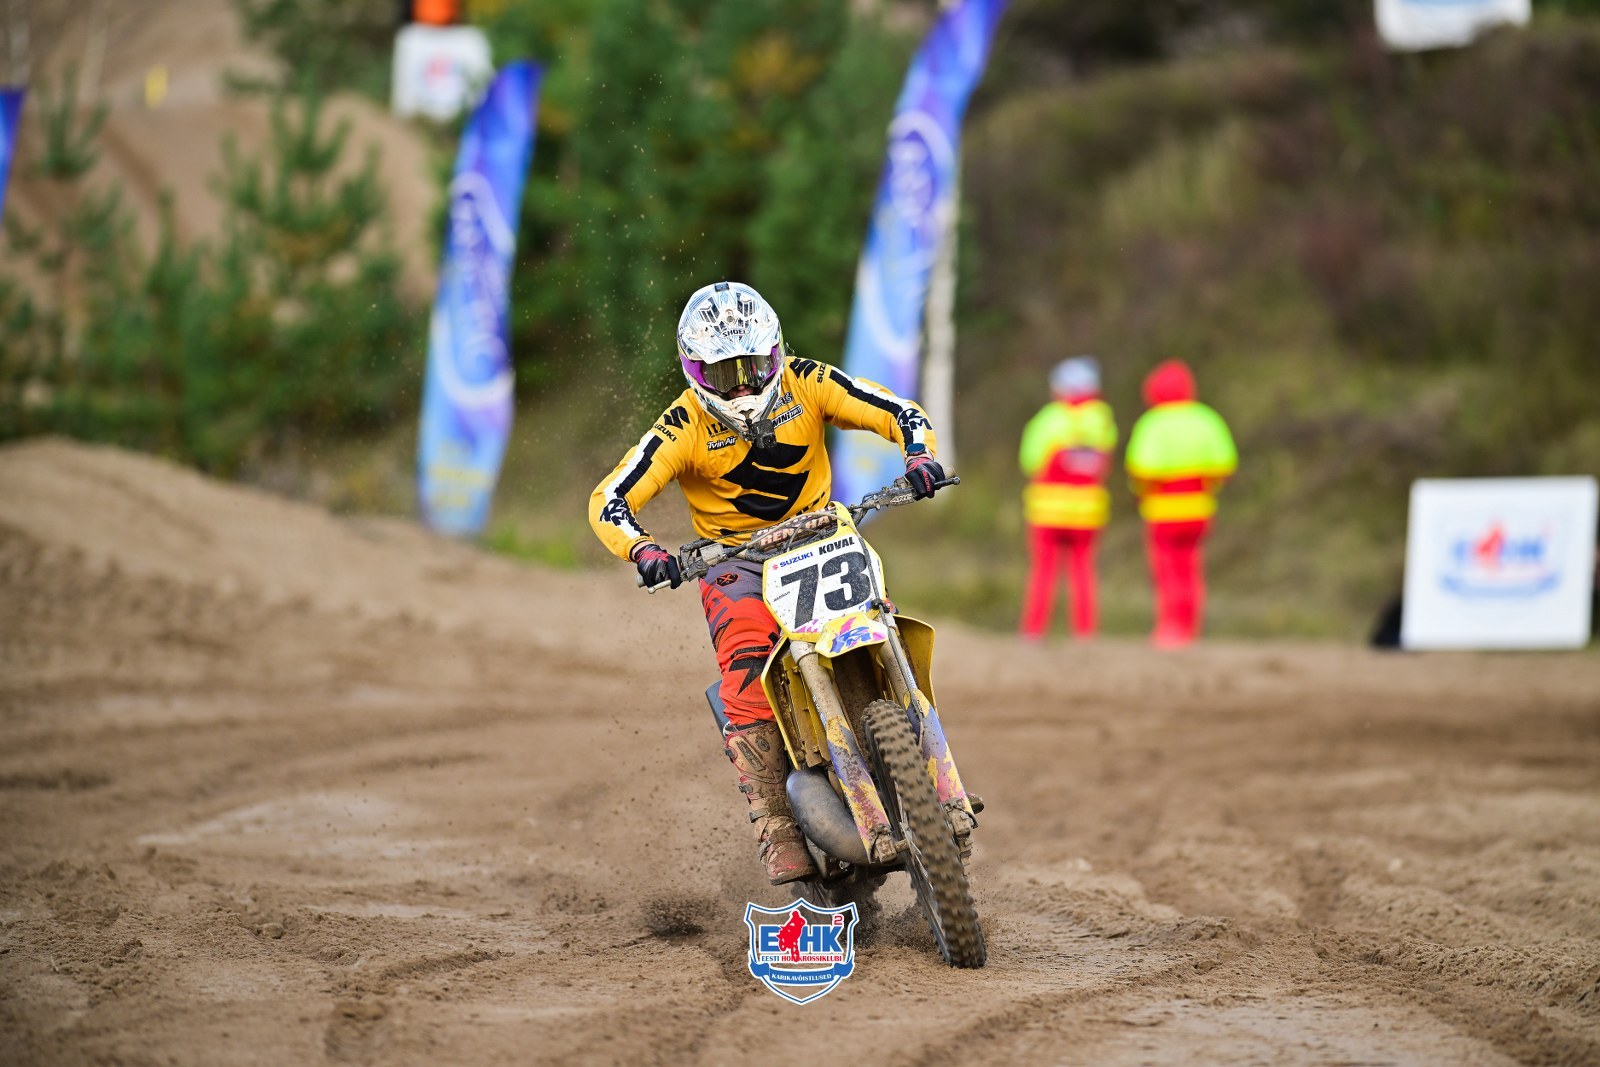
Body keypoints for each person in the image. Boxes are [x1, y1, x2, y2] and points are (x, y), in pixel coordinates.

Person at [587, 281, 949, 885]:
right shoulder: (681, 425)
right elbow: (610, 499)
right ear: (694, 371)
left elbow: (896, 411)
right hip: (735, 560)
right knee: (746, 667)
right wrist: (645, 550)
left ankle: (927, 767)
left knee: (884, 622)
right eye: (723, 374)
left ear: (777, 351)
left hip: (824, 535)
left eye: (753, 367)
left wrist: (919, 456)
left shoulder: (809, 381)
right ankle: (775, 820)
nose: (742, 387)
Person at [1124, 359, 1237, 648]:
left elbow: (1140, 470)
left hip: (1163, 511)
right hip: (1199, 509)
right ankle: (1190, 628)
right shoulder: (1206, 419)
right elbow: (1225, 465)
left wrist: (1142, 492)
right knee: (1191, 570)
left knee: (1167, 571)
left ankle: (1170, 628)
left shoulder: (1152, 423)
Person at [1017, 356, 1117, 640]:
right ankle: (1085, 633)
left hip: (1047, 510)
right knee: (1083, 572)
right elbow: (1105, 463)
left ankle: (1034, 631)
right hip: (1087, 511)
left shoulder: (1048, 419)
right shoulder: (1102, 419)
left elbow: (1030, 462)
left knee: (1043, 572)